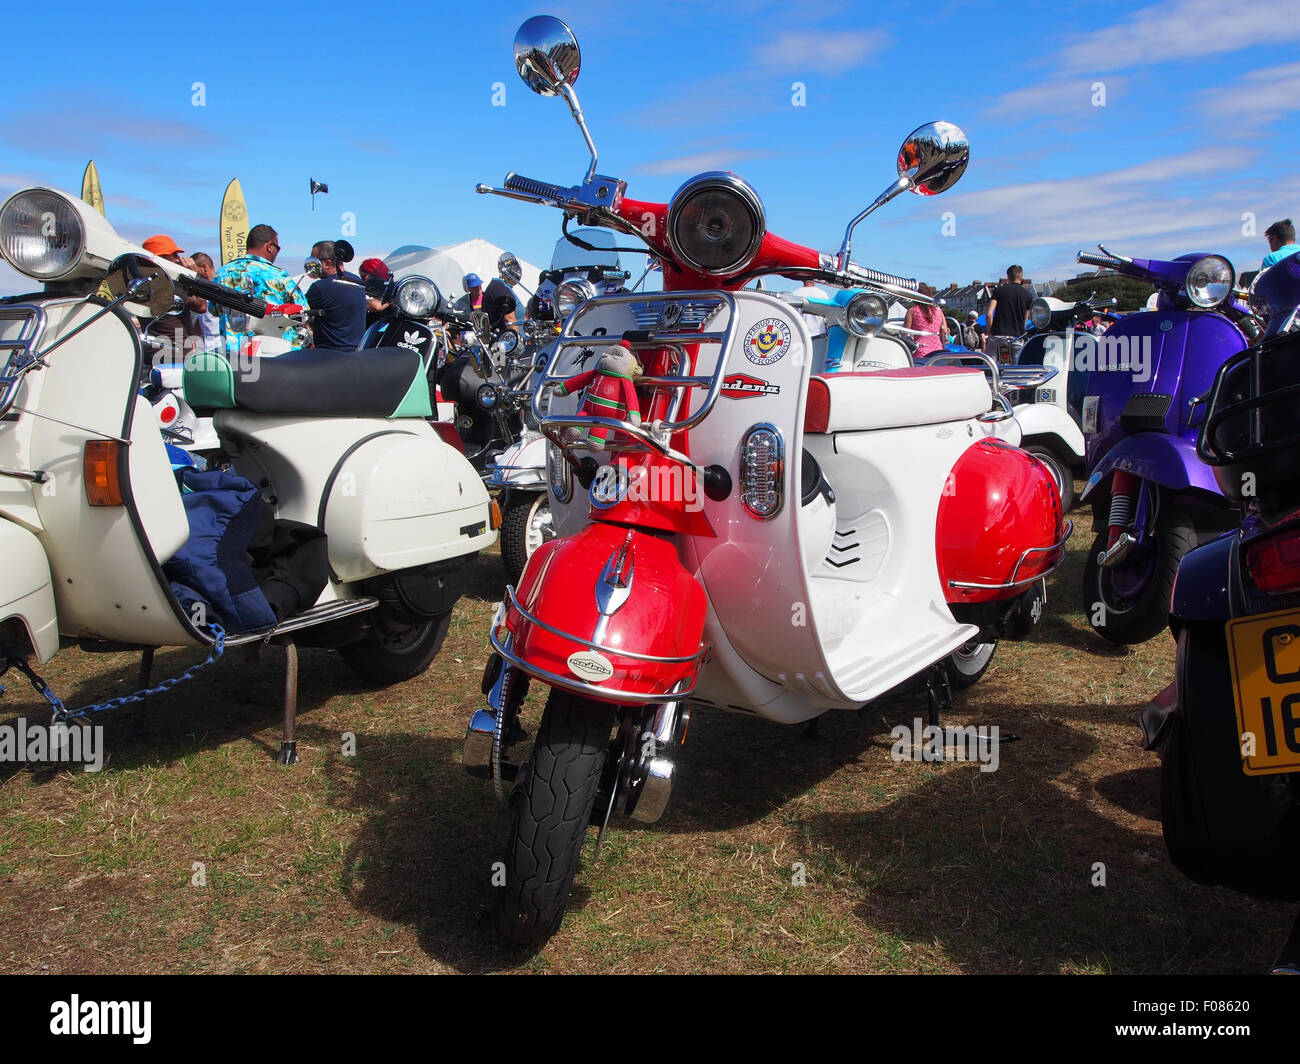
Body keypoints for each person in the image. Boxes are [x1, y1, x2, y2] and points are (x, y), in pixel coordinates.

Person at [210, 224, 307, 355]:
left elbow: (213, 309)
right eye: (277, 248)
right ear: (269, 246)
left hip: (235, 354)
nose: (277, 253)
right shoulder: (279, 275)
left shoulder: (222, 273)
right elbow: (303, 310)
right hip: (276, 354)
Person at [142, 234, 205, 358]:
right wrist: (193, 275)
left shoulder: (146, 285)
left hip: (155, 352)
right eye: (174, 255)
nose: (178, 259)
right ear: (161, 258)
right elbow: (201, 306)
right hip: (174, 354)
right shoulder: (166, 287)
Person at [304, 240, 365, 350]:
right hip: (357, 352)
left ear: (327, 263)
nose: (311, 266)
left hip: (329, 355)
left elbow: (298, 310)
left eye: (314, 262)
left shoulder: (320, 288)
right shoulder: (358, 282)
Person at [985, 265, 1033, 363]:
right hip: (1016, 337)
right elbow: (1025, 319)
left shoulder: (999, 291)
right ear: (1021, 277)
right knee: (1015, 369)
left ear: (1008, 277)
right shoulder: (1028, 295)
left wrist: (990, 332)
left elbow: (989, 314)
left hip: (998, 336)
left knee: (991, 367)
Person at [903, 284, 948, 358]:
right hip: (937, 353)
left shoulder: (912, 311)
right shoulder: (938, 311)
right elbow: (945, 332)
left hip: (919, 352)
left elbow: (905, 335)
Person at [190, 252, 222, 352]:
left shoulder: (222, 288)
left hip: (222, 347)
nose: (192, 275)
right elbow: (203, 320)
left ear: (204, 268)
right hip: (207, 349)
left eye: (194, 271)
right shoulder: (201, 292)